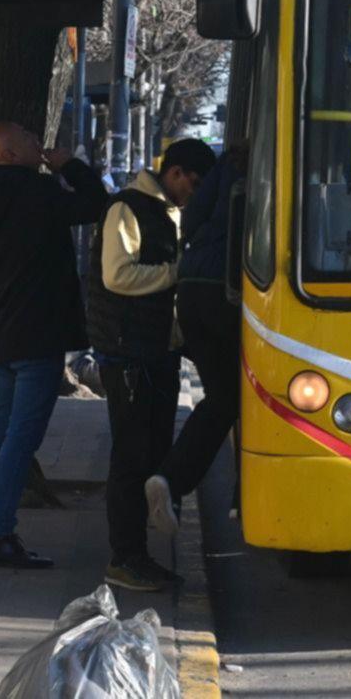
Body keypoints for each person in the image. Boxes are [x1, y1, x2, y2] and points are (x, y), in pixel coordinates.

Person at [0, 122, 108, 569]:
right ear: (9, 153)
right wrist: (71, 167)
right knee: (21, 437)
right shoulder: (36, 190)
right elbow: (96, 205)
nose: (40, 144)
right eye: (30, 140)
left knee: (1, 431)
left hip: (4, 331)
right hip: (40, 331)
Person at [88, 137, 216, 592]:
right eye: (193, 184)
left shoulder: (170, 212)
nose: (193, 195)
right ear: (175, 173)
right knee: (131, 457)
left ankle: (139, 554)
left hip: (158, 352)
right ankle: (125, 557)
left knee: (153, 454)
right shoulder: (128, 207)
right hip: (129, 353)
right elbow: (117, 275)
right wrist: (176, 272)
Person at [144, 145, 247, 537]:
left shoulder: (223, 168)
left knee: (222, 397)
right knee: (243, 395)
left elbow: (192, 220)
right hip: (227, 291)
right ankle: (234, 489)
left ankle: (170, 481)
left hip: (191, 290)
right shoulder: (267, 161)